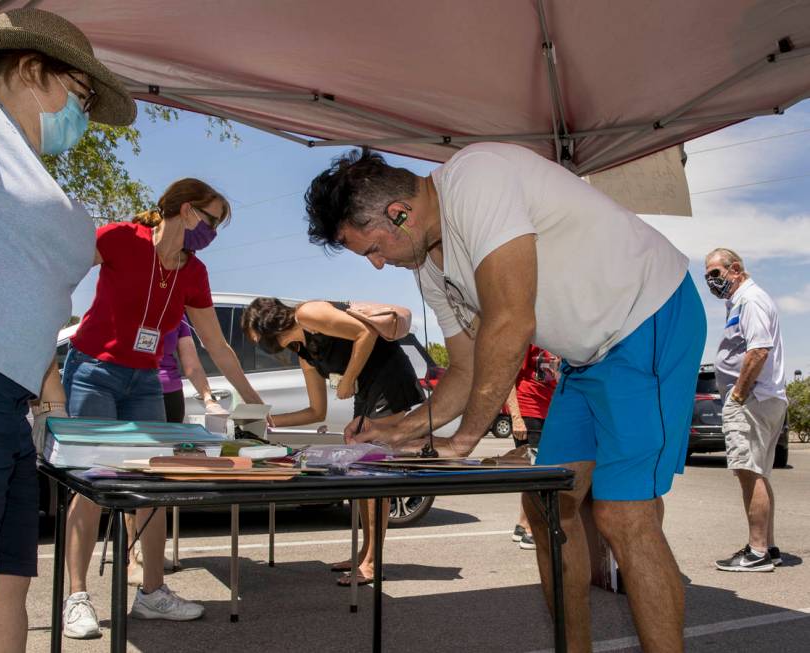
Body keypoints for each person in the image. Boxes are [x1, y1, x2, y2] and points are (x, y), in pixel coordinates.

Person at [306, 144, 705, 652]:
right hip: (586, 360)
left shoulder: (476, 178)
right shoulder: (428, 266)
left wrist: (466, 437)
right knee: (547, 505)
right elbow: (465, 369)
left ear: (398, 214)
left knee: (624, 516)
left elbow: (511, 320)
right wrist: (398, 429)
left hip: (647, 316)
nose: (379, 265)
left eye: (373, 250)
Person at [0, 7, 135, 651]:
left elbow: (26, 300)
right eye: (80, 95)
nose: (82, 118)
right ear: (28, 67)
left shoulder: (33, 172)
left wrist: (49, 405)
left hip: (2, 405)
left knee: (0, 587)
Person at [61, 179, 266, 639]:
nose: (213, 232)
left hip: (145, 379)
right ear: (188, 210)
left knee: (152, 485)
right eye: (213, 221)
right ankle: (77, 597)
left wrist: (251, 399)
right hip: (94, 368)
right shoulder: (119, 238)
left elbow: (217, 344)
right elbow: (57, 279)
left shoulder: (194, 272)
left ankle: (152, 593)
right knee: (91, 480)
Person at [241, 297, 425, 585]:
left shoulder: (308, 313)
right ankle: (365, 554)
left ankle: (372, 563)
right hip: (366, 389)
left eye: (256, 337)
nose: (258, 343)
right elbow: (316, 411)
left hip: (389, 380)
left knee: (374, 475)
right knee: (362, 473)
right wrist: (269, 421)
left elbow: (366, 333)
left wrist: (348, 378)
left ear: (267, 324)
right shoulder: (304, 352)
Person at [126, 319, 227, 585]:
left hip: (170, 396)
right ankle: (131, 556)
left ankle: (152, 551)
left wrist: (207, 397)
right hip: (135, 394)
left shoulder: (178, 319)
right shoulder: (134, 306)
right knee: (136, 475)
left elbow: (191, 364)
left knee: (161, 477)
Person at [705, 248, 787, 572]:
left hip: (752, 400)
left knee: (749, 473)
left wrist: (737, 393)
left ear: (735, 269)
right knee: (758, 474)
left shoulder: (750, 300)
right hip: (760, 398)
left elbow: (758, 350)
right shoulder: (741, 301)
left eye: (715, 274)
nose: (711, 282)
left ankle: (756, 552)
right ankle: (768, 546)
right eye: (707, 276)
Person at [506, 345, 558, 550]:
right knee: (537, 473)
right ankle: (531, 532)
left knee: (532, 472)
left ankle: (522, 524)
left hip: (551, 412)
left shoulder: (561, 338)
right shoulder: (531, 337)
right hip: (529, 412)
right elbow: (508, 377)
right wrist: (516, 417)